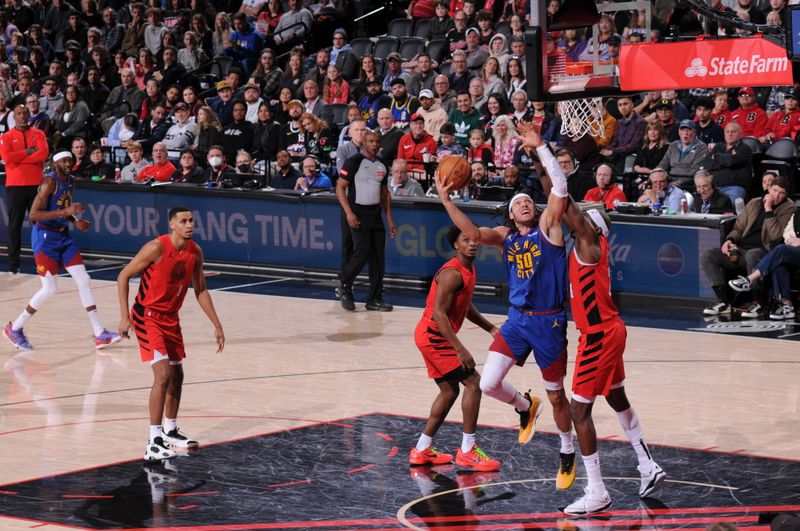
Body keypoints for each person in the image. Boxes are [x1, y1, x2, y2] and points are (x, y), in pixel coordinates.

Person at [435, 122, 574, 488]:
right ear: (511, 215)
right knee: (490, 382)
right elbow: (472, 233)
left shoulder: (549, 228)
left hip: (549, 322)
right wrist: (447, 200)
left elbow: (560, 188)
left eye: (528, 201)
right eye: (519, 204)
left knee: (559, 396)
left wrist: (541, 148)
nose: (525, 204)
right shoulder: (505, 238)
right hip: (516, 321)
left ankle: (566, 449)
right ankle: (526, 407)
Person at [540, 172, 666, 515]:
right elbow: (559, 200)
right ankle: (647, 464)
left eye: (580, 220)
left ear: (590, 229)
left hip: (597, 336)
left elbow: (566, 204)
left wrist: (544, 152)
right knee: (615, 394)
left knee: (579, 410)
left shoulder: (589, 244)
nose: (573, 220)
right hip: (611, 329)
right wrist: (542, 165)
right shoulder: (593, 245)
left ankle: (597, 491)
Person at [117, 205, 225, 461]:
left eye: (192, 221)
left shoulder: (195, 251)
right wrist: (124, 317)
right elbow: (123, 276)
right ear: (172, 225)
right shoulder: (156, 248)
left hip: (171, 319)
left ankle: (170, 430)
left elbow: (200, 290)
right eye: (184, 221)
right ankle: (153, 441)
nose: (190, 225)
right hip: (147, 316)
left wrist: (217, 325)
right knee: (163, 374)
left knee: (177, 375)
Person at [4, 151, 121, 351]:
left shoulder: (71, 181)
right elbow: (34, 214)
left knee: (84, 280)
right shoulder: (49, 183)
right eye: (64, 161)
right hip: (45, 238)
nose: (68, 163)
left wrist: (76, 221)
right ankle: (15, 328)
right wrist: (65, 212)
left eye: (70, 160)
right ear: (55, 163)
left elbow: (64, 206)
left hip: (64, 237)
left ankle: (99, 333)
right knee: (49, 288)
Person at [410, 225, 502, 472]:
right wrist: (460, 349)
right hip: (433, 336)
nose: (473, 243)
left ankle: (421, 450)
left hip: (431, 335)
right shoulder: (452, 273)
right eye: (466, 240)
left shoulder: (469, 269)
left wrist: (491, 328)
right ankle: (468, 450)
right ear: (456, 245)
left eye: (474, 240)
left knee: (449, 392)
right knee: (473, 383)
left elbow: (466, 306)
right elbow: (440, 314)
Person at [701, 175, 794, 318]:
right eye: (775, 190)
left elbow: (776, 236)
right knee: (708, 255)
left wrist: (768, 209)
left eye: (782, 193)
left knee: (753, 254)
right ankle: (723, 302)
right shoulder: (754, 203)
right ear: (769, 188)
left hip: (765, 252)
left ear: (786, 195)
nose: (777, 195)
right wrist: (730, 240)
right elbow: (738, 227)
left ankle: (759, 303)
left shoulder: (788, 208)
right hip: (740, 250)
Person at [336, 130, 397, 312]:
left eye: (377, 142)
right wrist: (348, 212)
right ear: (363, 142)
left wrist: (390, 218)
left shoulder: (382, 165)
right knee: (361, 252)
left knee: (378, 258)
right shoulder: (354, 161)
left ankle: (375, 299)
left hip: (375, 215)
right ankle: (344, 284)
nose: (374, 144)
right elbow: (340, 188)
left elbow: (385, 194)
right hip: (357, 213)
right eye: (370, 141)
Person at [728, 206, 800, 320]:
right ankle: (787, 306)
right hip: (794, 251)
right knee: (779, 263)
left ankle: (750, 279)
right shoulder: (798, 212)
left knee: (781, 250)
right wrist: (792, 241)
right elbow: (787, 232)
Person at [1, 104, 49, 275]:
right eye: (19, 113)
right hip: (15, 186)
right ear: (14, 116)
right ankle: (14, 266)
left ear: (29, 115)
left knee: (40, 224)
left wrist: (20, 158)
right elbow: (6, 157)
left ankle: (44, 262)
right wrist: (29, 152)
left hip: (36, 185)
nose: (22, 116)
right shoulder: (7, 136)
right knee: (14, 225)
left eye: (25, 113)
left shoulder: (39, 133)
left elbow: (43, 154)